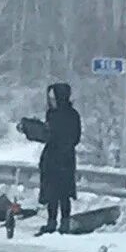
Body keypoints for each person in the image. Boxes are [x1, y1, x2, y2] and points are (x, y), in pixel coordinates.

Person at [36, 82, 81, 235]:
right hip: (67, 158)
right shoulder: (74, 115)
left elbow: (47, 135)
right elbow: (76, 138)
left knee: (52, 193)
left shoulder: (52, 115)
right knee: (64, 193)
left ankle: (52, 221)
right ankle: (65, 222)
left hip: (53, 157)